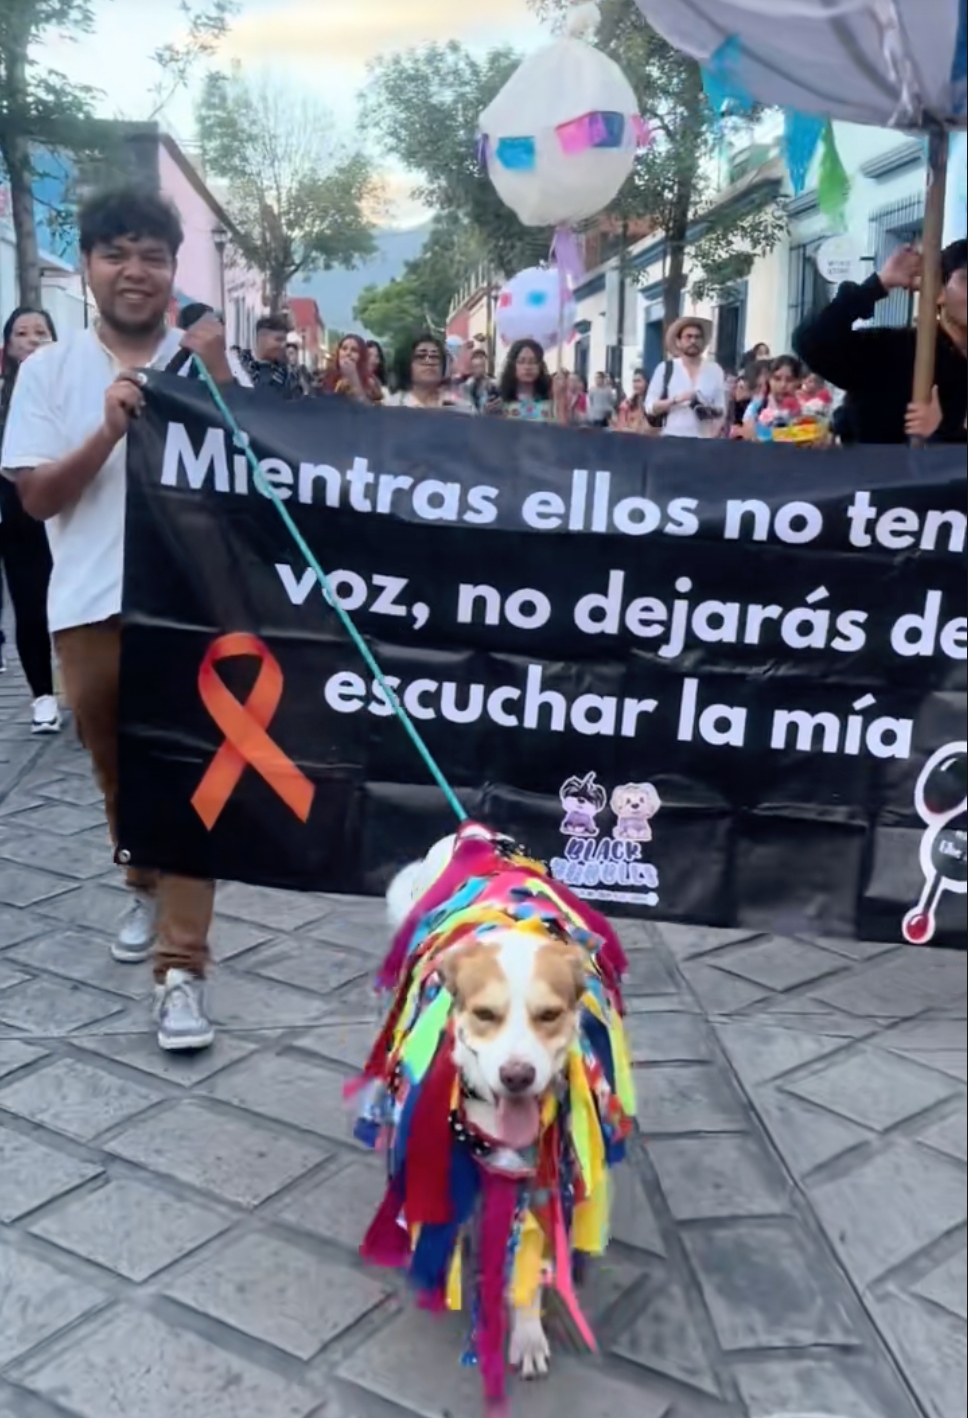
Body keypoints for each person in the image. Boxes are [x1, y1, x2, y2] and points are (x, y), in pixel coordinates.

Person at [1, 186, 244, 1053]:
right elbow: (36, 499)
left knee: (190, 788)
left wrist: (220, 380)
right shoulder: (50, 371)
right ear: (90, 266)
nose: (135, 271)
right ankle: (139, 879)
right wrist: (105, 430)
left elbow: (264, 483)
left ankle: (182, 972)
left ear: (173, 269)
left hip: (197, 612)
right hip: (89, 608)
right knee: (120, 781)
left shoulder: (204, 358)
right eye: (117, 254)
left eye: (153, 256)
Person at [793, 238, 967, 443]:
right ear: (939, 291)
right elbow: (812, 339)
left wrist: (941, 434)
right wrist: (877, 285)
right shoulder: (898, 352)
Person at [0, 307, 59, 731]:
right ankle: (43, 697)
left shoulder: (71, 390)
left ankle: (84, 684)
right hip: (17, 511)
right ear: (8, 345)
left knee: (77, 603)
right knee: (29, 603)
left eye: (41, 332)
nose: (32, 339)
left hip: (69, 506)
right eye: (22, 333)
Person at [646, 317, 726, 438]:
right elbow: (650, 407)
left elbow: (721, 409)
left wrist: (712, 432)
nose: (693, 341)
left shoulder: (715, 370)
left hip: (703, 441)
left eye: (697, 337)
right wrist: (675, 400)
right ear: (678, 341)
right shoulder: (665, 368)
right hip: (671, 437)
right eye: (688, 337)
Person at [386, 334, 473, 412]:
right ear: (405, 363)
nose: (429, 362)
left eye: (435, 357)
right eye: (421, 356)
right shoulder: (391, 407)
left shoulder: (460, 407)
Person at [743, 355, 804, 440]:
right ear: (769, 379)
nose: (783, 385)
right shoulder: (755, 409)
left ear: (798, 382)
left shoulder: (805, 409)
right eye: (777, 379)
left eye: (789, 380)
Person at [492, 339, 555, 421]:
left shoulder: (551, 398)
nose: (527, 367)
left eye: (533, 362)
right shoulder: (500, 401)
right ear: (512, 365)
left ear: (540, 366)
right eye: (521, 362)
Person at [320, 333, 383, 404]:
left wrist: (354, 378)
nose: (348, 353)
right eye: (344, 349)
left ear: (362, 356)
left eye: (354, 350)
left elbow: (370, 408)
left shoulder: (370, 382)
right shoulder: (327, 377)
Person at [614, 368, 654, 434]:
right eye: (634, 381)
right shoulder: (626, 404)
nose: (635, 384)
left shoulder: (652, 404)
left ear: (647, 383)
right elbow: (620, 428)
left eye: (638, 381)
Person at [461, 346, 498, 412]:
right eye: (475, 367)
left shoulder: (493, 385)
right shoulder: (467, 385)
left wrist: (494, 404)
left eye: (481, 366)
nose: (478, 370)